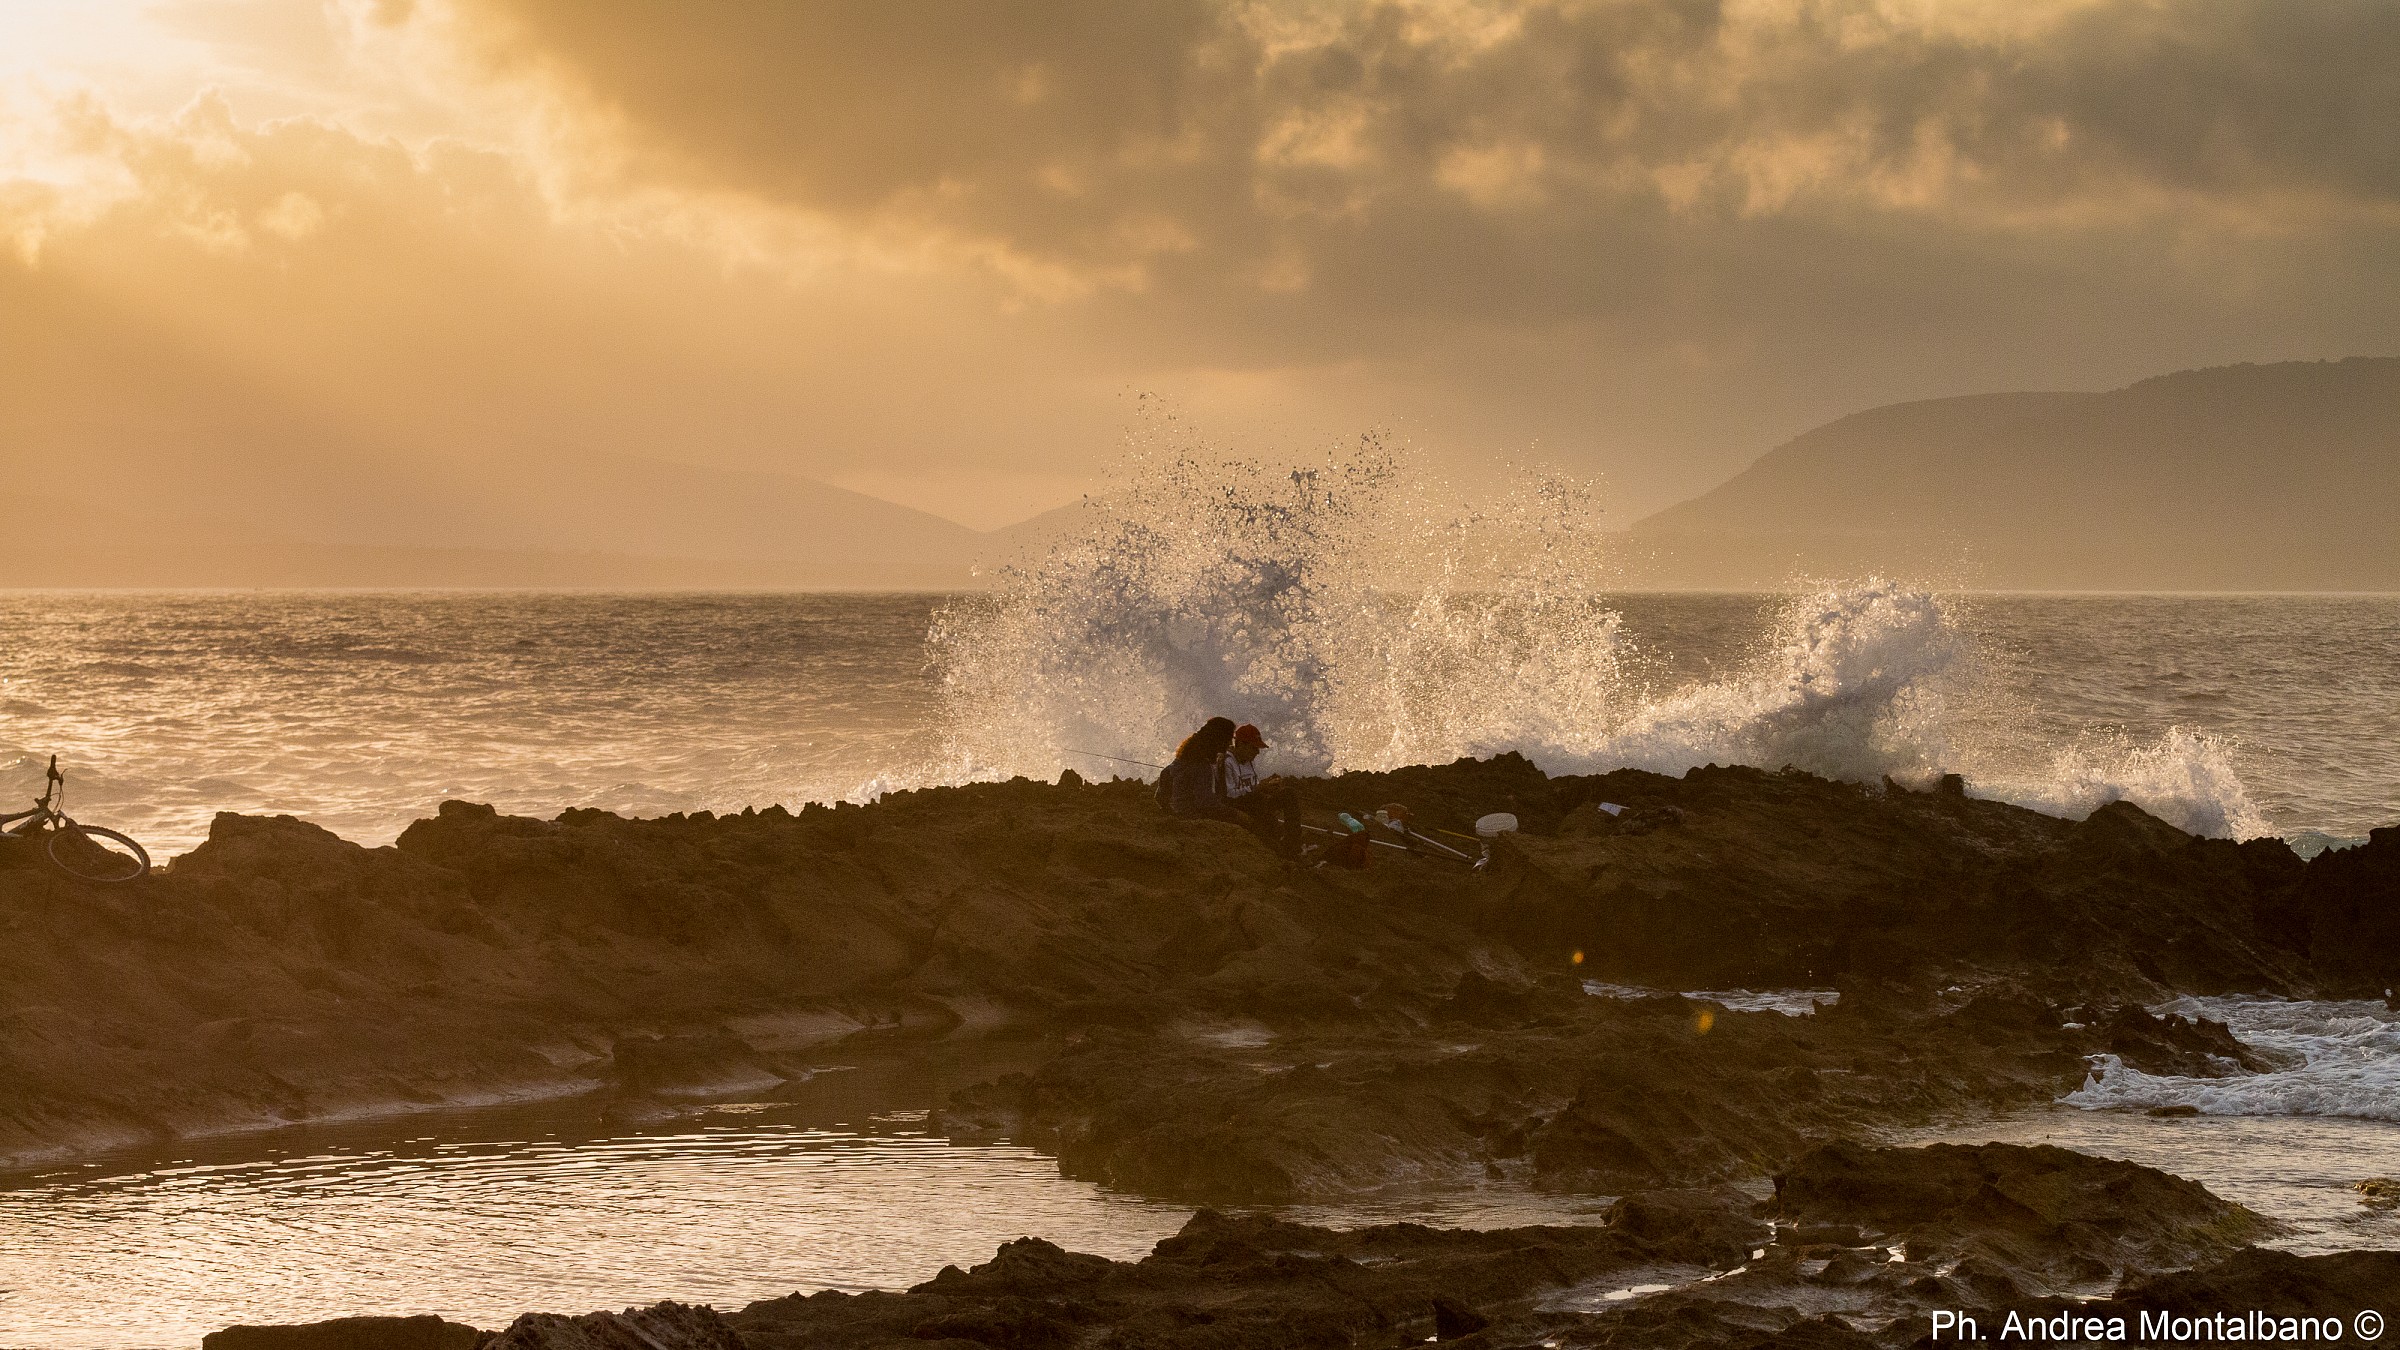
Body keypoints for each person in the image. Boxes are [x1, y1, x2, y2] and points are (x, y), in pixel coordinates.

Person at [1220, 723, 1300, 856]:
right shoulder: (1227, 762)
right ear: (1241, 744)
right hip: (1240, 806)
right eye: (1254, 748)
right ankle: (1279, 844)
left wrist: (1268, 785)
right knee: (1260, 807)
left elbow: (1254, 785)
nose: (1257, 752)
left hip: (1254, 801)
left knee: (1288, 794)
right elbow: (1229, 795)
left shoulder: (1249, 760)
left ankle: (1293, 843)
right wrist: (1258, 788)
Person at [1160, 717, 1242, 821]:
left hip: (1177, 816)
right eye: (1229, 738)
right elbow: (1206, 803)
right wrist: (1236, 814)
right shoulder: (1202, 766)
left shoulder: (1183, 759)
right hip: (1192, 820)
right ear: (1219, 739)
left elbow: (1163, 782)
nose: (1230, 743)